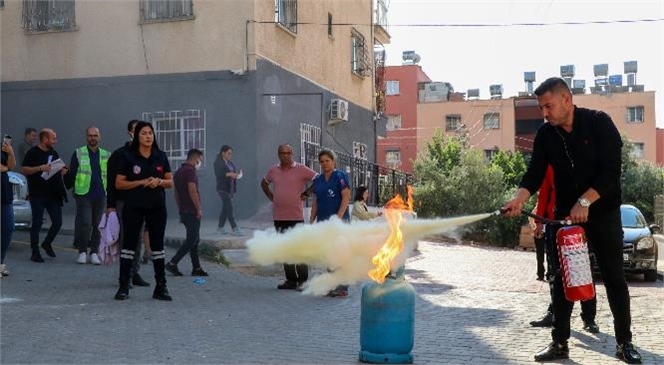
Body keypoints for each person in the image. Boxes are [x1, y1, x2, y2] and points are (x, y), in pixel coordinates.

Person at [502, 77, 641, 363]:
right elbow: (534, 174)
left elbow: (611, 173)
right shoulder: (545, 134)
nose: (544, 112)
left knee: (614, 278)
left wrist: (586, 201)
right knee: (561, 280)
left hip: (603, 213)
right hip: (565, 218)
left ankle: (624, 343)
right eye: (541, 107)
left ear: (566, 100)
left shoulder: (600, 123)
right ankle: (560, 343)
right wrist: (519, 198)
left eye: (548, 105)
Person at [529, 164, 599, 334]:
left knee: (583, 271)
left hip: (580, 224)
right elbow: (544, 193)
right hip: (555, 224)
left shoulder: (584, 155)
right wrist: (539, 221)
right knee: (555, 274)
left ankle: (589, 319)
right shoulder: (550, 160)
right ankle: (553, 314)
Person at [114, 121, 173, 301]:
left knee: (158, 248)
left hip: (157, 206)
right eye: (144, 133)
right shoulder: (128, 157)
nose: (148, 136)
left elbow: (170, 182)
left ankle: (161, 287)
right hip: (134, 206)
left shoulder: (160, 156)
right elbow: (119, 183)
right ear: (136, 136)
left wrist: (159, 182)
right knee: (129, 246)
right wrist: (140, 182)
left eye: (150, 133)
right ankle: (124, 286)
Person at [261, 144, 317, 290]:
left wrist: (307, 193)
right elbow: (264, 183)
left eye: (287, 153)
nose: (285, 155)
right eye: (282, 153)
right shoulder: (273, 170)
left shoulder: (301, 169)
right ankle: (291, 280)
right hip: (279, 216)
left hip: (296, 216)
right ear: (278, 154)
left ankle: (303, 280)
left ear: (292, 153)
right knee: (285, 248)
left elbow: (319, 180)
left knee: (298, 249)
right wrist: (271, 196)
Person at [106, 120, 151, 288]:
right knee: (126, 240)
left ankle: (135, 272)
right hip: (123, 202)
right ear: (130, 133)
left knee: (138, 239)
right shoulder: (119, 155)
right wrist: (110, 205)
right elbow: (110, 182)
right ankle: (124, 276)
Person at [21, 128, 69, 263]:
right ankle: (34, 251)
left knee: (58, 222)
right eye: (53, 138)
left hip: (53, 194)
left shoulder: (54, 153)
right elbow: (24, 169)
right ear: (45, 139)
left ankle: (47, 243)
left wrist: (62, 171)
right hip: (38, 194)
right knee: (36, 223)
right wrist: (39, 168)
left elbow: (57, 166)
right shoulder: (32, 152)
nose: (56, 141)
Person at [309, 149, 351, 297]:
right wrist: (311, 220)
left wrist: (338, 218)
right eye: (322, 161)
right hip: (323, 222)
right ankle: (332, 285)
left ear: (333, 161)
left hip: (339, 223)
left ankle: (342, 287)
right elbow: (315, 201)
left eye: (327, 161)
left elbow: (346, 197)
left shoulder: (340, 176)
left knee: (340, 254)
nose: (324, 164)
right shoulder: (318, 180)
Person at [67, 126, 108, 265]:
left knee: (97, 225)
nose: (93, 138)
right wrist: (68, 185)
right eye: (90, 135)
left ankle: (94, 252)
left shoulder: (106, 155)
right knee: (86, 223)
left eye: (95, 135)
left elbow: (111, 175)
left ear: (100, 137)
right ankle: (82, 251)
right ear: (86, 137)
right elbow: (72, 172)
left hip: (101, 194)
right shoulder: (78, 153)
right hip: (83, 194)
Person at [165, 148, 208, 277]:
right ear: (195, 158)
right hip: (192, 210)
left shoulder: (178, 172)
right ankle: (173, 263)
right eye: (199, 159)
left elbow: (176, 194)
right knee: (192, 239)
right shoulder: (190, 172)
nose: (199, 162)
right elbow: (192, 191)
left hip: (184, 210)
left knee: (195, 238)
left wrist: (180, 209)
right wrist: (198, 209)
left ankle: (196, 267)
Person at [214, 145, 243, 236]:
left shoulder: (230, 163)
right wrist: (231, 174)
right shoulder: (218, 162)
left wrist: (237, 175)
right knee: (229, 207)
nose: (230, 155)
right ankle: (234, 227)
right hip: (222, 188)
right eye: (228, 153)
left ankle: (220, 227)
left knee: (225, 208)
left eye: (231, 154)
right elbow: (219, 174)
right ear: (223, 153)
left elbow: (232, 173)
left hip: (230, 188)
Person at [1, 138, 16, 277]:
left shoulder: (2, 145)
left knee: (8, 227)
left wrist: (11, 153)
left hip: (4, 194)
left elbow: (11, 166)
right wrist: (4, 168)